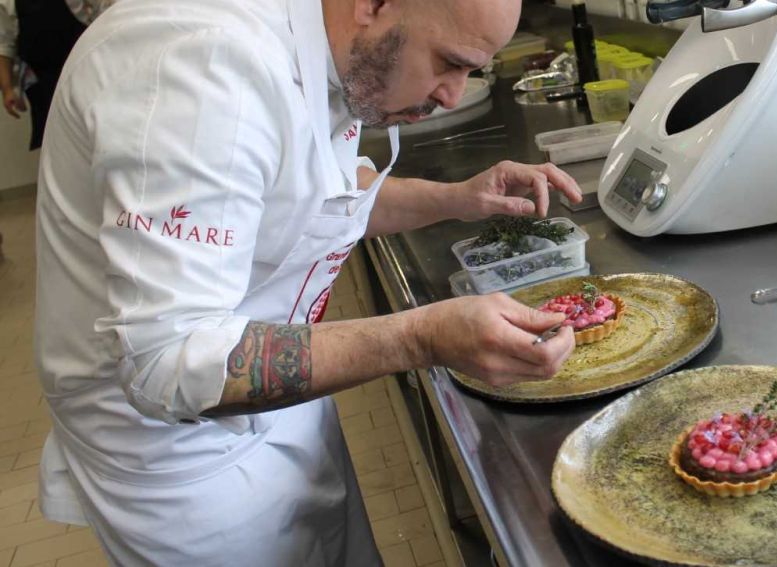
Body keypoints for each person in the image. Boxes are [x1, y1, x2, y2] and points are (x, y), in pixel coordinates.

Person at [35, 0, 581, 564]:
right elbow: (168, 362)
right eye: (448, 62)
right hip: (178, 454)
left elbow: (311, 192)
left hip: (280, 390)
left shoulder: (322, 41)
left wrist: (457, 199)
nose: (452, 94)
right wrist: (421, 338)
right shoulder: (200, 68)